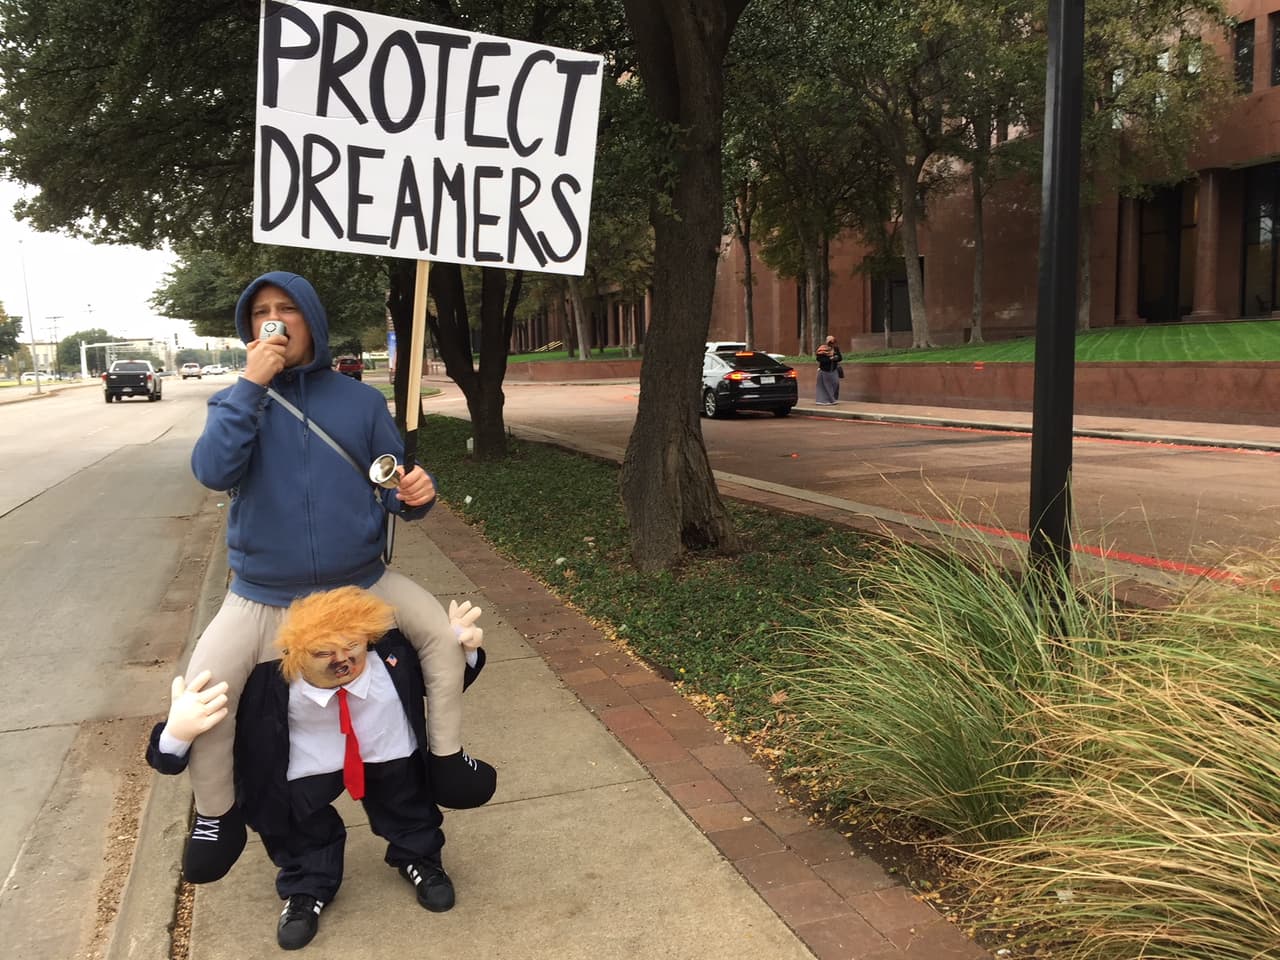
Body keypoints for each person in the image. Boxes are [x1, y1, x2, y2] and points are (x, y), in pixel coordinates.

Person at [180, 271, 494, 885]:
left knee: (439, 634)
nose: (274, 321)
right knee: (206, 691)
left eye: (287, 309)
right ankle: (215, 816)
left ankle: (448, 759)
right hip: (262, 597)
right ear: (248, 328)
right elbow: (214, 472)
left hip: (360, 584)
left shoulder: (359, 402)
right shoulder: (235, 400)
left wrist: (417, 494)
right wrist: (251, 384)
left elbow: (395, 488)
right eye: (262, 312)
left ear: (312, 323)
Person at [147, 587, 487, 950]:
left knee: (405, 798)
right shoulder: (264, 681)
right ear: (290, 651)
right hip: (305, 758)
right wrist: (176, 733)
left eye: (353, 647)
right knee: (293, 820)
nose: (342, 661)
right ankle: (307, 884)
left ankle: (420, 856)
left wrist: (463, 652)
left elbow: (437, 682)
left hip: (384, 743)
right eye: (323, 653)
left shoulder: (389, 657)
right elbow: (189, 745)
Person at [815, 334, 843, 404]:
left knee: (835, 383)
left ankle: (833, 398)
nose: (832, 344)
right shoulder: (822, 349)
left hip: (833, 369)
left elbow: (840, 358)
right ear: (827, 342)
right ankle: (827, 400)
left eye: (833, 342)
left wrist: (836, 358)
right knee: (826, 386)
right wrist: (830, 359)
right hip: (824, 370)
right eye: (831, 342)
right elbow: (819, 359)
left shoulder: (836, 349)